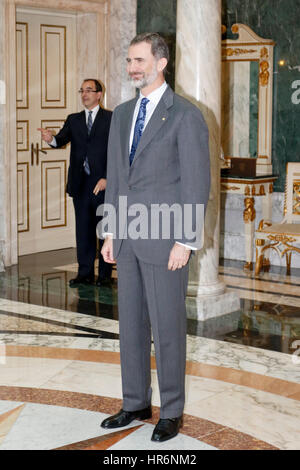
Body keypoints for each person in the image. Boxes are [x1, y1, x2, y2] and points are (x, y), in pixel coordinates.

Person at [100, 33, 210, 442]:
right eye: (130, 60)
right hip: (126, 238)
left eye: (140, 60)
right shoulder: (124, 114)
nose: (133, 68)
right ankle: (134, 402)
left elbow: (197, 184)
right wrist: (109, 231)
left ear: (161, 63)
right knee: (130, 325)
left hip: (167, 241)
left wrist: (186, 240)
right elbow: (116, 178)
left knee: (166, 329)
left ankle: (172, 410)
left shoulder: (185, 114)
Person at [38, 79, 112, 288]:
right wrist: (50, 139)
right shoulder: (74, 119)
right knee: (83, 229)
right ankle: (85, 273)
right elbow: (61, 140)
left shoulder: (111, 119)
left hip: (102, 183)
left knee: (105, 230)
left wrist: (108, 177)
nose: (84, 94)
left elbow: (117, 152)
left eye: (89, 90)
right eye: (82, 90)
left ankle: (105, 276)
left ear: (99, 94)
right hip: (80, 183)